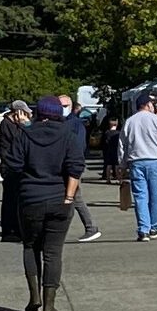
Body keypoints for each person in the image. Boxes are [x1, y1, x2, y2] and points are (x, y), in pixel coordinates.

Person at [14, 98, 88, 311]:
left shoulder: (24, 134)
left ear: (37, 113)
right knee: (53, 252)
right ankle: (49, 304)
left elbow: (13, 166)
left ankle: (34, 296)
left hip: (30, 198)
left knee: (30, 246)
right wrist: (68, 197)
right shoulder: (68, 135)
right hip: (59, 198)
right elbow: (76, 168)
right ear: (59, 113)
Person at [121, 94, 157, 240]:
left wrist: (122, 164)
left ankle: (143, 229)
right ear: (147, 104)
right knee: (155, 195)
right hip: (155, 160)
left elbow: (123, 145)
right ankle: (155, 227)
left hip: (136, 162)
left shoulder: (130, 122)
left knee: (140, 196)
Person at [58, 95, 105, 243]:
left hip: (71, 166)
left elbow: (77, 147)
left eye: (65, 105)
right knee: (72, 199)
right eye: (60, 105)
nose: (62, 108)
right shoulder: (63, 122)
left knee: (73, 198)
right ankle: (89, 228)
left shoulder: (74, 123)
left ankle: (90, 228)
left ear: (71, 107)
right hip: (65, 166)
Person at [0, 100, 30, 242]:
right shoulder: (7, 125)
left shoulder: (12, 125)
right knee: (10, 200)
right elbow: (19, 140)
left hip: (17, 166)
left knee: (17, 200)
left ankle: (17, 229)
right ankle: (10, 231)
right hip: (10, 167)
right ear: (17, 112)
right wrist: (24, 125)